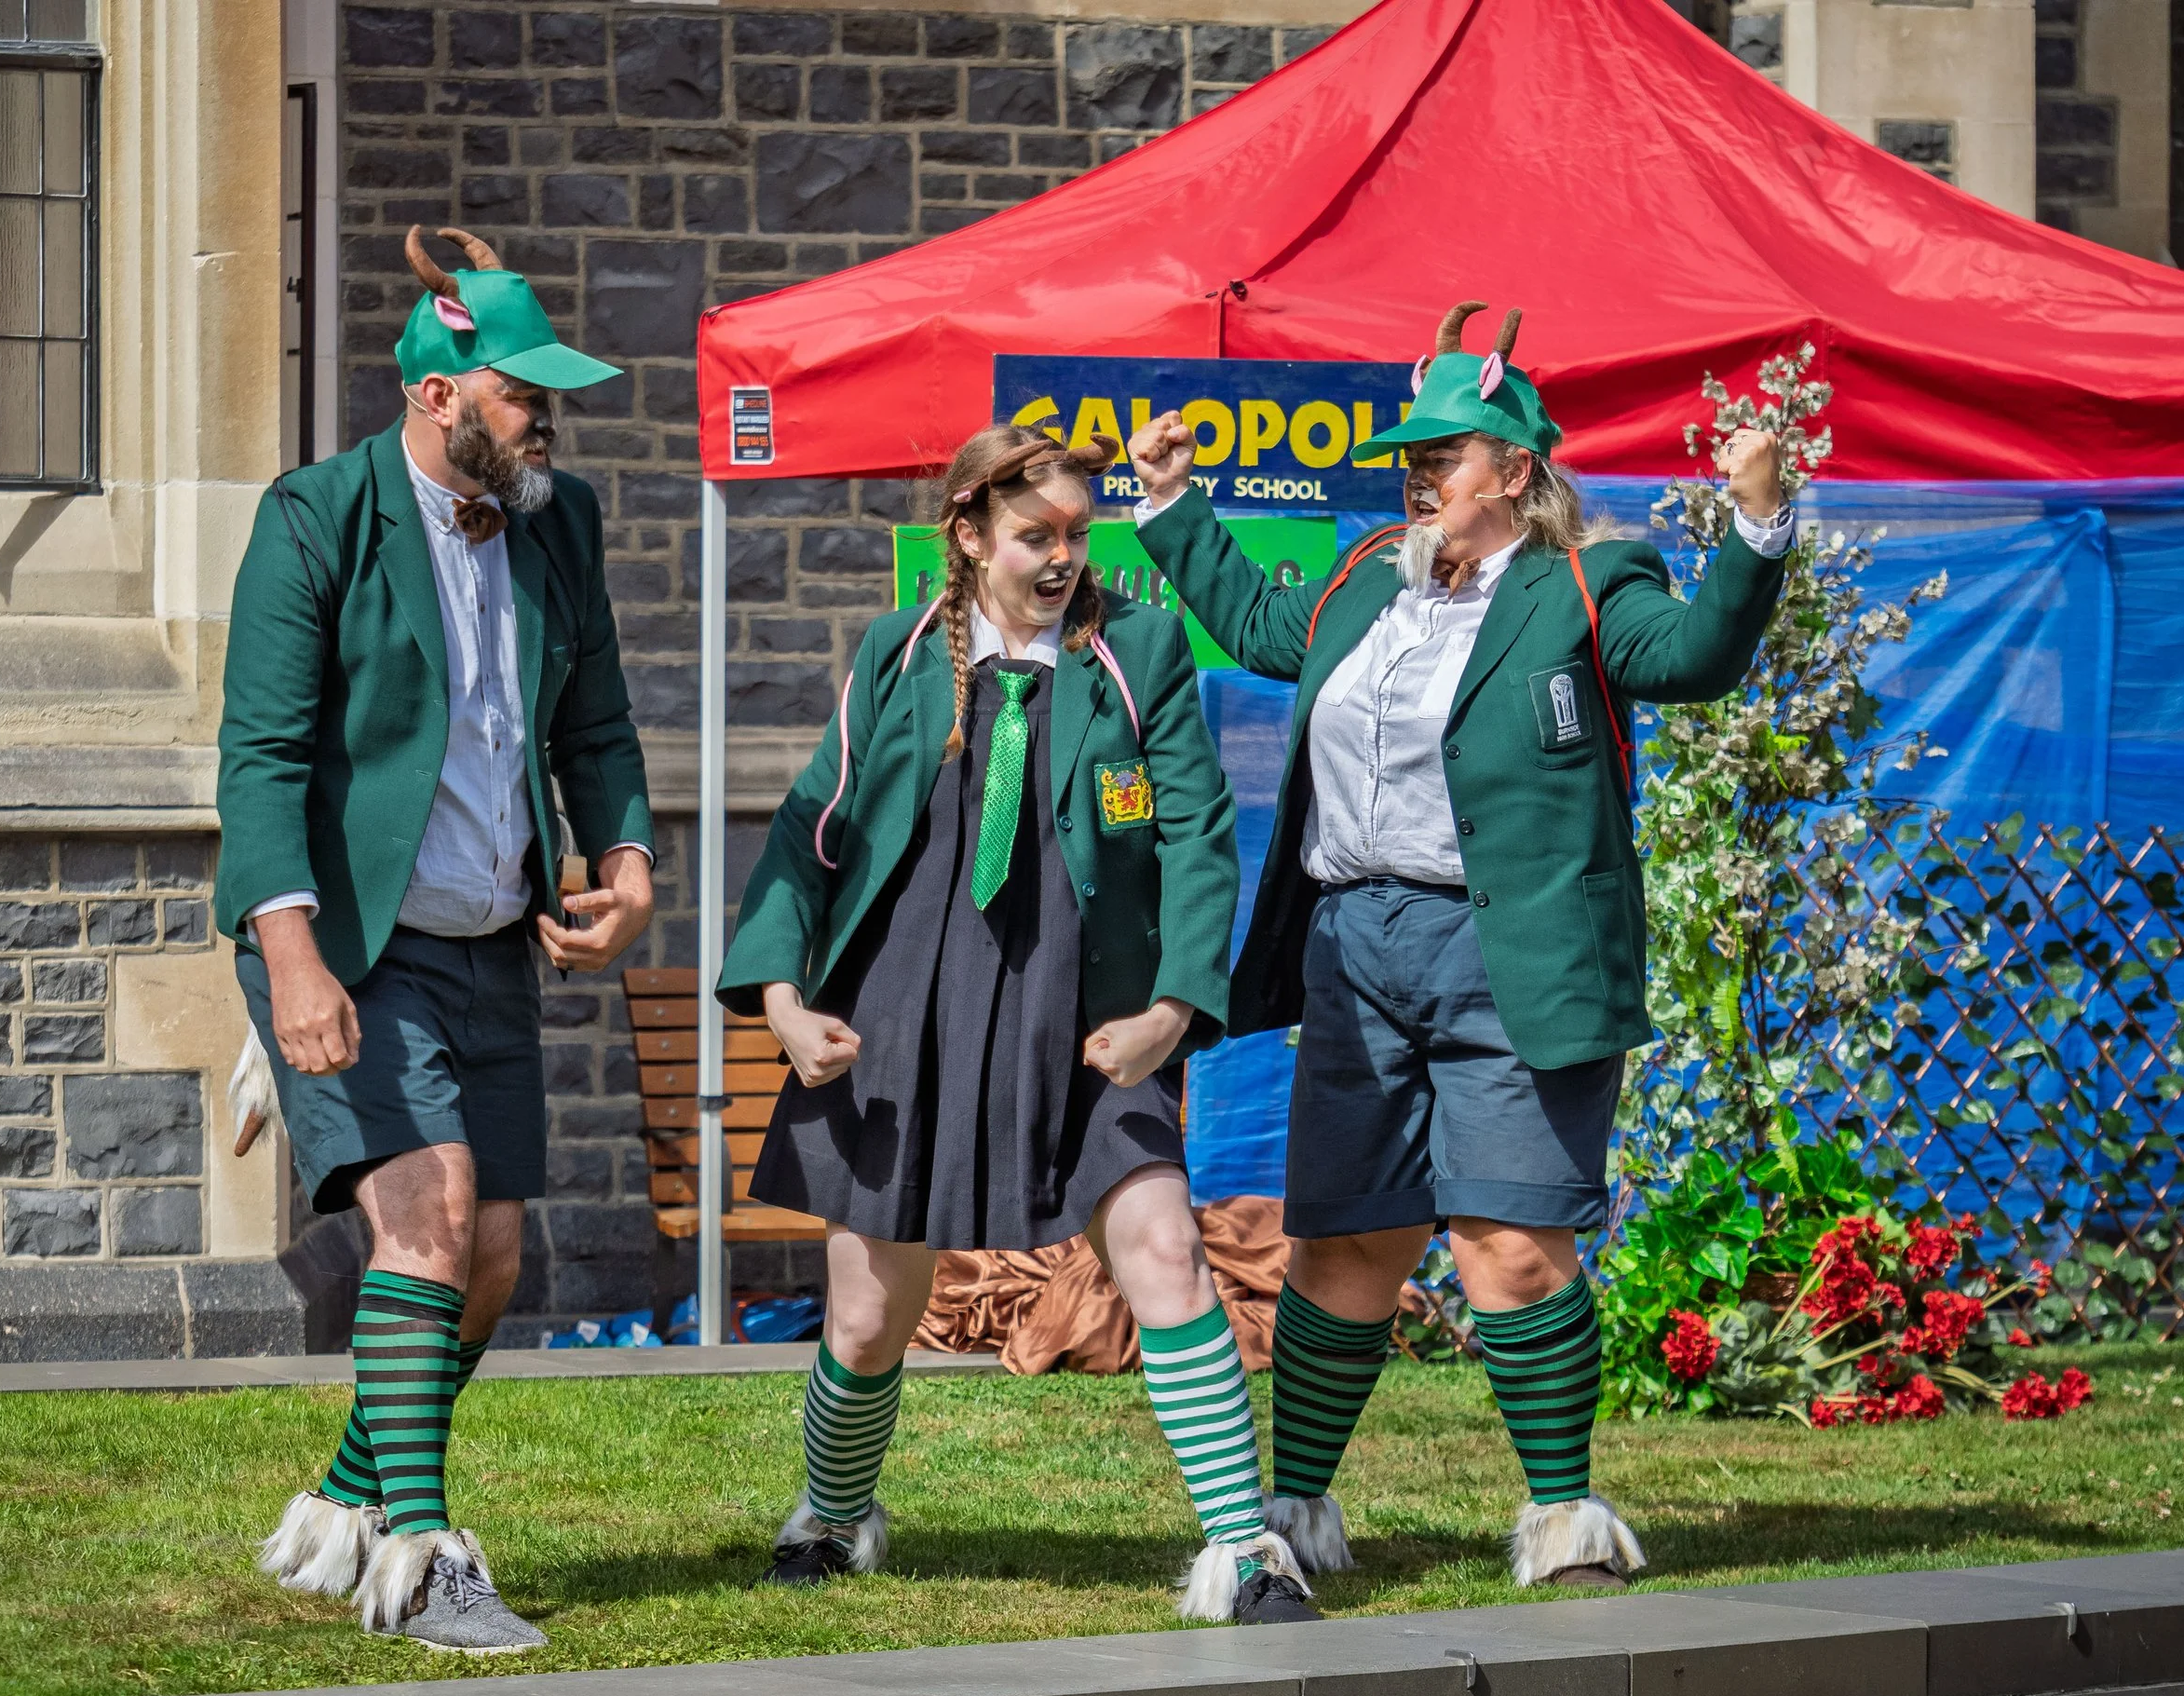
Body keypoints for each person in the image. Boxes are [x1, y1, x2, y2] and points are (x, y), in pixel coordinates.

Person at [1128, 302, 1794, 1589]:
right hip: (1354, 946)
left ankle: (1564, 1519)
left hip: (1511, 946)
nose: (1419, 473)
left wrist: (1756, 525)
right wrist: (1173, 511)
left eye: (1445, 454)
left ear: (1518, 474)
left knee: (1509, 1241)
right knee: (1349, 1240)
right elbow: (1267, 636)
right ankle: (1302, 1506)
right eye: (1414, 454)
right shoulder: (1364, 574)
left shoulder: (1591, 584)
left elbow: (1703, 657)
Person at [719, 424, 1318, 1625]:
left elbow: (1198, 834)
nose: (1060, 559)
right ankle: (832, 1512)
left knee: (1165, 1251)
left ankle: (1247, 1553)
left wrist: (1171, 1010)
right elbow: (807, 835)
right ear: (971, 537)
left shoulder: (1136, 651)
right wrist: (785, 1004)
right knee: (871, 1311)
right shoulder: (892, 658)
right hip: (903, 1017)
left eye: (1076, 536)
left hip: (1092, 1022)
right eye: (1035, 536)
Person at [219, 226, 655, 1651]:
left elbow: (595, 722)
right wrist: (288, 962)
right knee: (432, 1208)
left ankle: (345, 1502)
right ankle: (424, 1563)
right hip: (351, 937)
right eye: (523, 393)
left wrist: (630, 863)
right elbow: (263, 758)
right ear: (438, 395)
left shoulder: (560, 518)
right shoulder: (313, 518)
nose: (547, 417)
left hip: (490, 941)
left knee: (493, 1257)